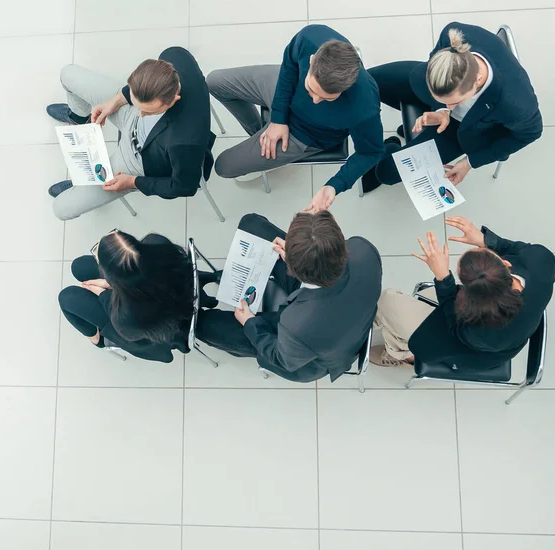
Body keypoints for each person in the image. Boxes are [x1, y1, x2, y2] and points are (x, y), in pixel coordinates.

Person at [207, 24, 384, 213]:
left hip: (304, 134)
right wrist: (277, 119)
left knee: (223, 167)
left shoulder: (363, 107)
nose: (316, 101)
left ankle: (262, 149)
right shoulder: (311, 37)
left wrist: (334, 185)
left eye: (326, 98)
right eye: (311, 89)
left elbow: (371, 152)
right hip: (285, 91)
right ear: (312, 60)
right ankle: (258, 132)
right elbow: (290, 65)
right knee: (214, 82)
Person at [197, 212, 382, 382]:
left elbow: (280, 357)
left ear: (292, 270)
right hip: (338, 301)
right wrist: (304, 256)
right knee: (252, 225)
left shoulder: (297, 326)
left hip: (308, 355)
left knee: (207, 326)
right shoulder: (364, 249)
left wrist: (249, 322)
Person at [364, 22, 542, 192]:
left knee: (385, 173)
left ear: (477, 80)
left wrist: (470, 162)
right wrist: (441, 109)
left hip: (466, 129)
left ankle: (392, 145)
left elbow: (531, 132)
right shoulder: (454, 33)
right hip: (434, 89)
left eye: (455, 102)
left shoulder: (516, 104)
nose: (451, 106)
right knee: (367, 83)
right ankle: (435, 105)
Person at [46, 47, 213, 220]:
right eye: (138, 104)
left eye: (149, 112)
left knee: (61, 209)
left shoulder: (183, 144)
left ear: (173, 99)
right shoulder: (174, 56)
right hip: (129, 112)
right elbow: (138, 97)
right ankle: (79, 118)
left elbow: (184, 187)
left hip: (139, 158)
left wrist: (133, 182)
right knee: (68, 74)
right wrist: (116, 101)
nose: (141, 115)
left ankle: (82, 183)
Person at [371, 216, 555, 368]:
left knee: (386, 302)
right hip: (506, 331)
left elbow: (455, 327)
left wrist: (443, 278)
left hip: (474, 349)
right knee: (405, 306)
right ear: (505, 264)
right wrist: (486, 240)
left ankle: (404, 354)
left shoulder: (481, 332)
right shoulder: (542, 261)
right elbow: (520, 249)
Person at [58, 230, 220, 362]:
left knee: (67, 297)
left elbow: (128, 333)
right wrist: (111, 285)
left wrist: (103, 293)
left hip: (152, 326)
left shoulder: (127, 317)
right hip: (177, 294)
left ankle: (97, 339)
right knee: (79, 266)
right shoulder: (157, 243)